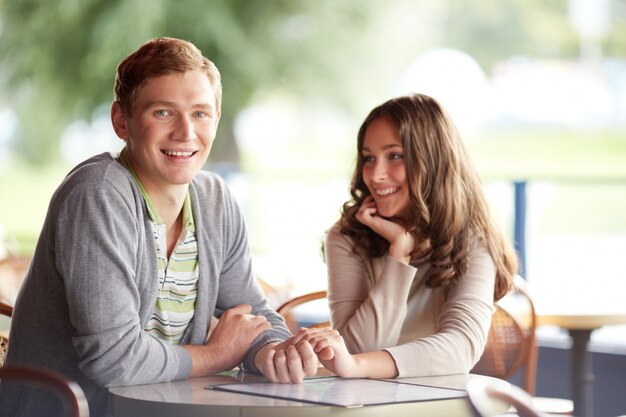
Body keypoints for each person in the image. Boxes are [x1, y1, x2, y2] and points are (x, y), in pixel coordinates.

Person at [0, 37, 317, 417]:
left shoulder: (216, 200)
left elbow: (254, 316)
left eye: (200, 113)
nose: (186, 132)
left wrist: (274, 352)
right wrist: (218, 354)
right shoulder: (97, 194)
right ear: (122, 121)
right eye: (164, 112)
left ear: (216, 119)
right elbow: (114, 360)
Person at [288, 93, 519, 379]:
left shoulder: (473, 237)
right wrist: (399, 254)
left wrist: (358, 366)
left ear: (432, 161)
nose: (375, 175)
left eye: (394, 156)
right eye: (368, 158)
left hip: (437, 402)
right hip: (361, 402)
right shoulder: (345, 236)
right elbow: (358, 346)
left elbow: (461, 347)